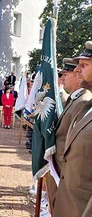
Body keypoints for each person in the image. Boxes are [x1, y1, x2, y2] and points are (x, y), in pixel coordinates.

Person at [45, 57, 92, 214]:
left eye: (84, 65)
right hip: (66, 187)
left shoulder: (82, 102)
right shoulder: (86, 106)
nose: (78, 70)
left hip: (80, 203)